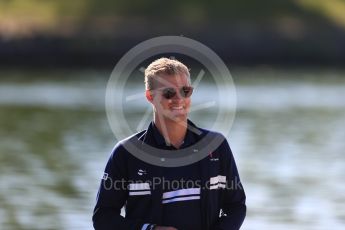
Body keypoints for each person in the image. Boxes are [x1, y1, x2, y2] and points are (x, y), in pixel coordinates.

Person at [92, 57, 246, 230]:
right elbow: (103, 218)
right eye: (169, 93)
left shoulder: (216, 146)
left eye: (185, 91)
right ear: (150, 96)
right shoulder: (126, 153)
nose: (179, 99)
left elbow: (236, 206)